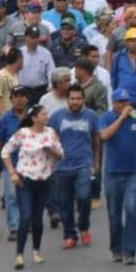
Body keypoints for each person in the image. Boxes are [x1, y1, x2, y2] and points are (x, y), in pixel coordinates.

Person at [2, 103, 65, 269]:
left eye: (47, 114)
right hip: (25, 180)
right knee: (26, 216)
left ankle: (36, 250)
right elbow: (5, 152)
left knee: (37, 219)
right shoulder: (23, 134)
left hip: (44, 180)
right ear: (34, 118)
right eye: (43, 114)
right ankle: (19, 255)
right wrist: (12, 173)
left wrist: (50, 151)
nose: (46, 116)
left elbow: (61, 155)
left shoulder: (51, 133)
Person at [48, 82, 100, 249]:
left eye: (79, 98)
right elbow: (50, 140)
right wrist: (50, 161)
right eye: (72, 98)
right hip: (62, 166)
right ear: (67, 99)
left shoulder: (91, 116)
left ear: (83, 99)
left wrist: (97, 161)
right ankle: (70, 234)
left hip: (83, 164)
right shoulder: (56, 117)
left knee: (84, 197)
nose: (75, 101)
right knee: (64, 203)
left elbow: (96, 140)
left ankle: (84, 226)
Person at [100, 87, 136, 264]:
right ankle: (116, 248)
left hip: (134, 172)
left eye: (127, 101)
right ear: (114, 103)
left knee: (132, 210)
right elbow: (104, 135)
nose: (126, 104)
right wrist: (121, 118)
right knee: (114, 213)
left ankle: (130, 251)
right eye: (121, 101)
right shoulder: (106, 117)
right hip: (112, 172)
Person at [0, 86, 31, 242]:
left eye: (22, 96)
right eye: (16, 96)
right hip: (11, 164)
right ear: (10, 99)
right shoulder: (5, 119)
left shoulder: (33, 117)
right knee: (11, 196)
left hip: (31, 164)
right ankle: (15, 227)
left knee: (29, 196)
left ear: (27, 99)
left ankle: (27, 222)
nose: (19, 99)